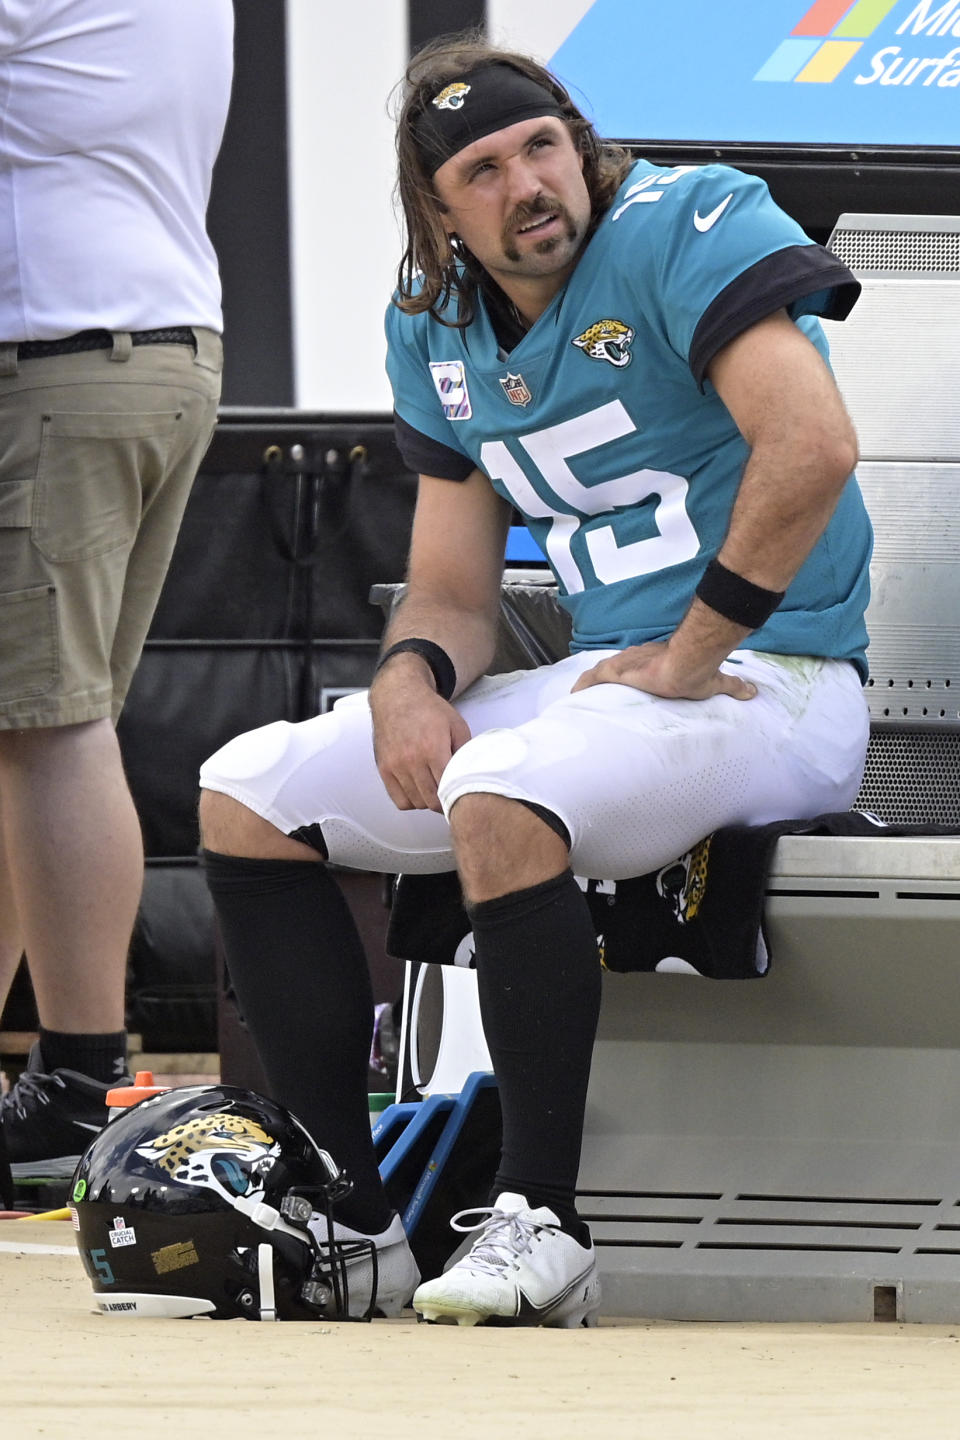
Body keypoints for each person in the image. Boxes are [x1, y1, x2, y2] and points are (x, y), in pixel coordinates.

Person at [199, 34, 872, 1327]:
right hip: (610, 686)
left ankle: (542, 1224)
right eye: (485, 169)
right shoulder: (434, 322)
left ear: (581, 144)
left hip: (770, 682)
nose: (528, 183)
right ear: (438, 210)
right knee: (248, 791)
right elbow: (453, 590)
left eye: (542, 146)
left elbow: (813, 443)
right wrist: (403, 676)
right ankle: (352, 1218)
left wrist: (695, 649)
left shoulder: (686, 218)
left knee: (499, 785)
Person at [0, 0, 232, 1180]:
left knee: (46, 725)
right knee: (34, 726)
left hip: (58, 356)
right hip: (151, 347)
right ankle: (68, 1082)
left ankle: (81, 1086)